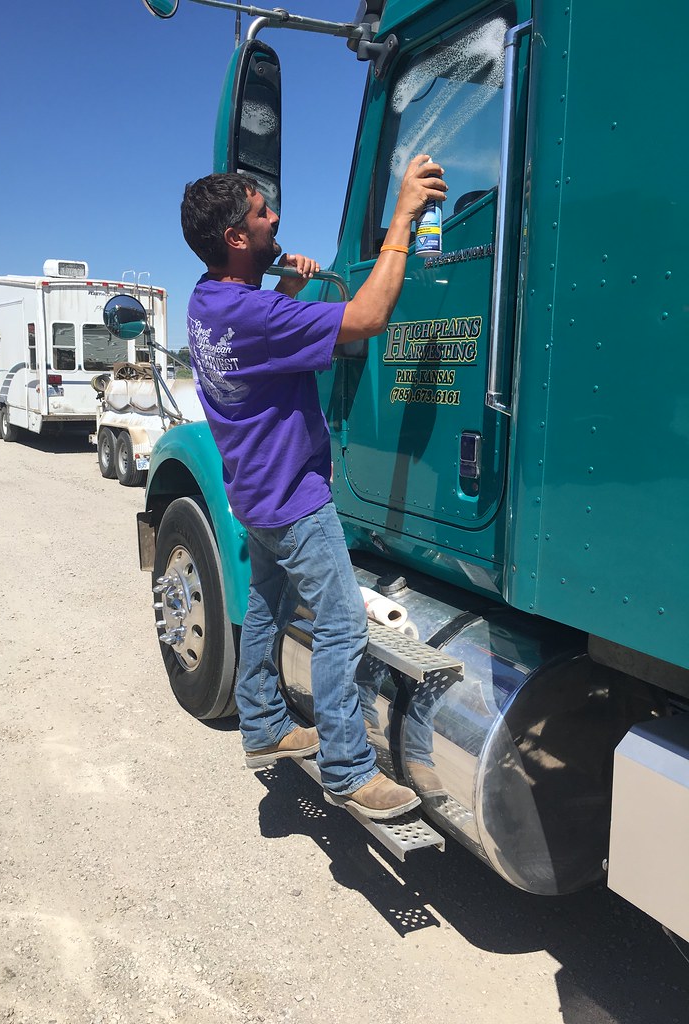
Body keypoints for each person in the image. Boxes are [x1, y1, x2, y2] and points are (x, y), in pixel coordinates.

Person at [180, 156, 447, 820]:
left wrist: (292, 294)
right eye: (262, 213)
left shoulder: (209, 300)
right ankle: (349, 768)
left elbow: (254, 354)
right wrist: (403, 219)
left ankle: (265, 721)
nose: (275, 218)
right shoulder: (254, 313)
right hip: (295, 497)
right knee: (340, 624)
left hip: (252, 494)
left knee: (268, 610)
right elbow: (368, 317)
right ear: (238, 238)